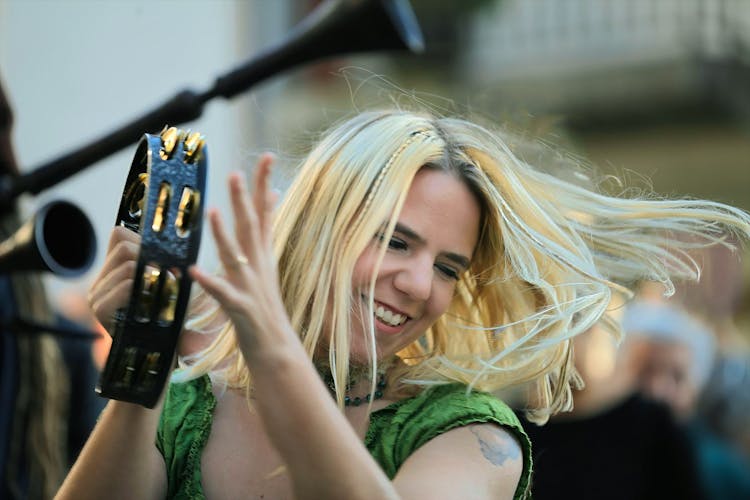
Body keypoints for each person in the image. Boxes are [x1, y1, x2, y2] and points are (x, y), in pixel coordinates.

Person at [56, 109, 750, 499]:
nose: (420, 285)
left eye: (447, 266)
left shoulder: (469, 436)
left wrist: (272, 353)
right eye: (394, 242)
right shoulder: (185, 411)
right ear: (319, 232)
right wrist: (139, 369)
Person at [624, 300, 750, 499]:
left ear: (695, 390)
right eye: (646, 371)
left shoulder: (716, 469)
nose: (657, 390)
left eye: (678, 376)